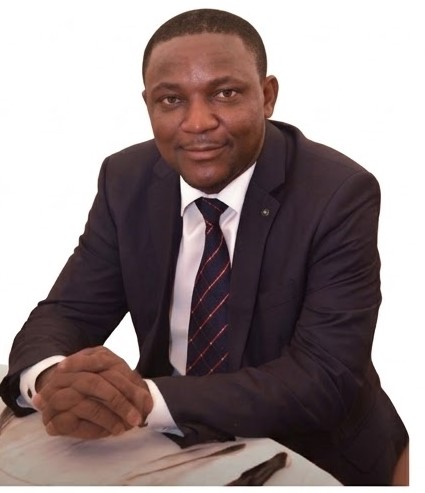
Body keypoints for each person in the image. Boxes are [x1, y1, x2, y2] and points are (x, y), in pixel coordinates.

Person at [0, 8, 408, 486]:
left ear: (267, 96)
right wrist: (52, 379)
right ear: (148, 104)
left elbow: (324, 376)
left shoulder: (338, 194)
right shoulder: (126, 179)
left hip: (311, 450)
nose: (197, 122)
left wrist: (144, 399)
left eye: (225, 93)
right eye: (171, 100)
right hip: (171, 445)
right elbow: (69, 312)